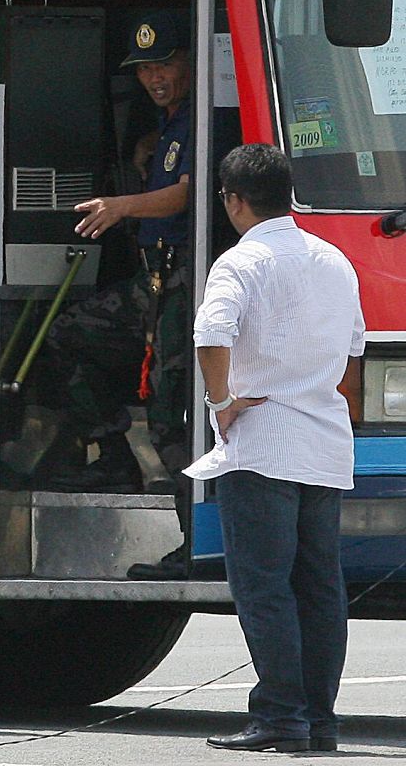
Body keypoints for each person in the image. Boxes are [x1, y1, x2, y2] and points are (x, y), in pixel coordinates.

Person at [185, 143, 365, 752]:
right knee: (320, 587)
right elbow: (354, 356)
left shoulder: (241, 263)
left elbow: (212, 337)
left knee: (264, 586)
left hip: (261, 444)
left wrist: (221, 402)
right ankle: (320, 723)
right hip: (325, 444)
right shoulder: (335, 260)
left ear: (234, 201)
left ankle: (280, 718)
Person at [46, 11, 192, 579]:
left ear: (189, 63)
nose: (156, 78)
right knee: (68, 335)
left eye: (165, 64)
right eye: (146, 69)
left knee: (170, 416)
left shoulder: (203, 121)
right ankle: (109, 457)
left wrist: (122, 206)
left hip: (180, 286)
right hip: (149, 285)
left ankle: (193, 542)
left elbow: (186, 194)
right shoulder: (168, 123)